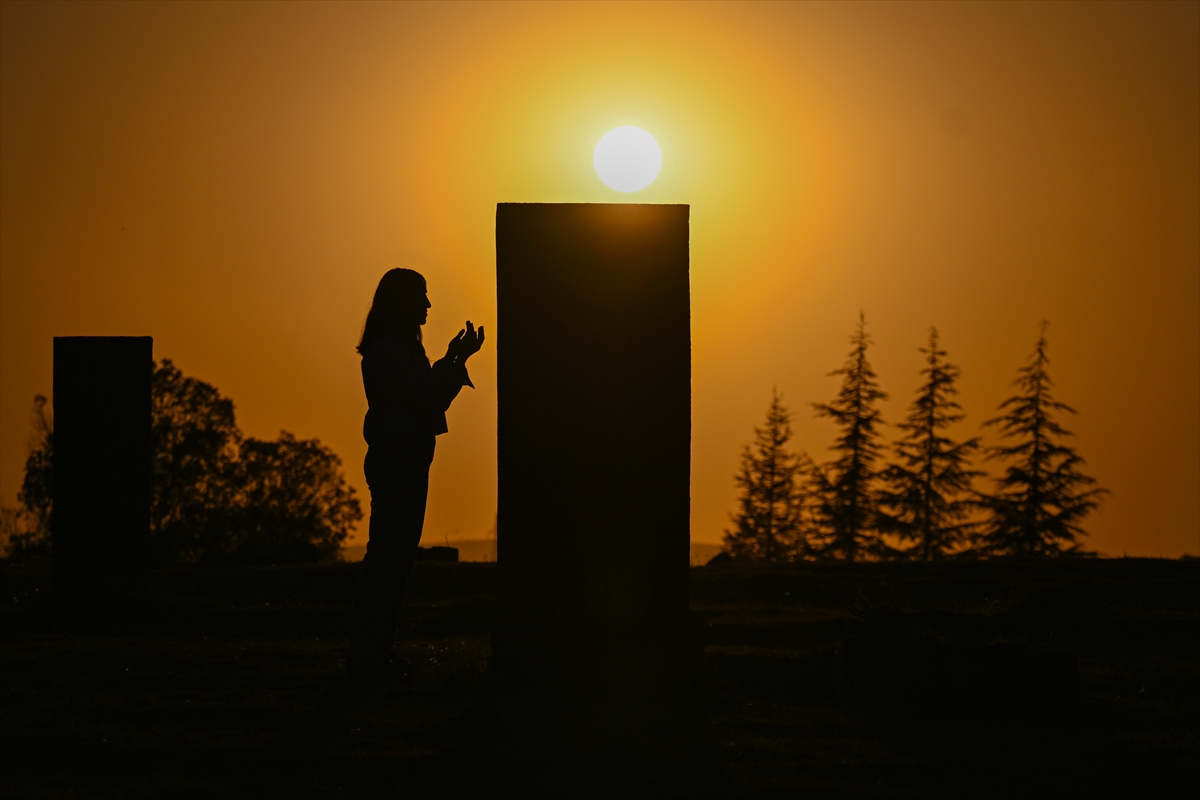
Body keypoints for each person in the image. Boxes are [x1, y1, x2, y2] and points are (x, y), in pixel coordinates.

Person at [349, 268, 484, 673]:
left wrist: (454, 360)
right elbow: (426, 396)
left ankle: (375, 651)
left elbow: (426, 394)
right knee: (388, 559)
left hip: (404, 459)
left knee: (395, 559)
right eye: (421, 296)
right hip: (398, 460)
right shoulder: (390, 350)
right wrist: (455, 361)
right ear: (402, 302)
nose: (427, 304)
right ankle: (369, 654)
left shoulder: (396, 348)